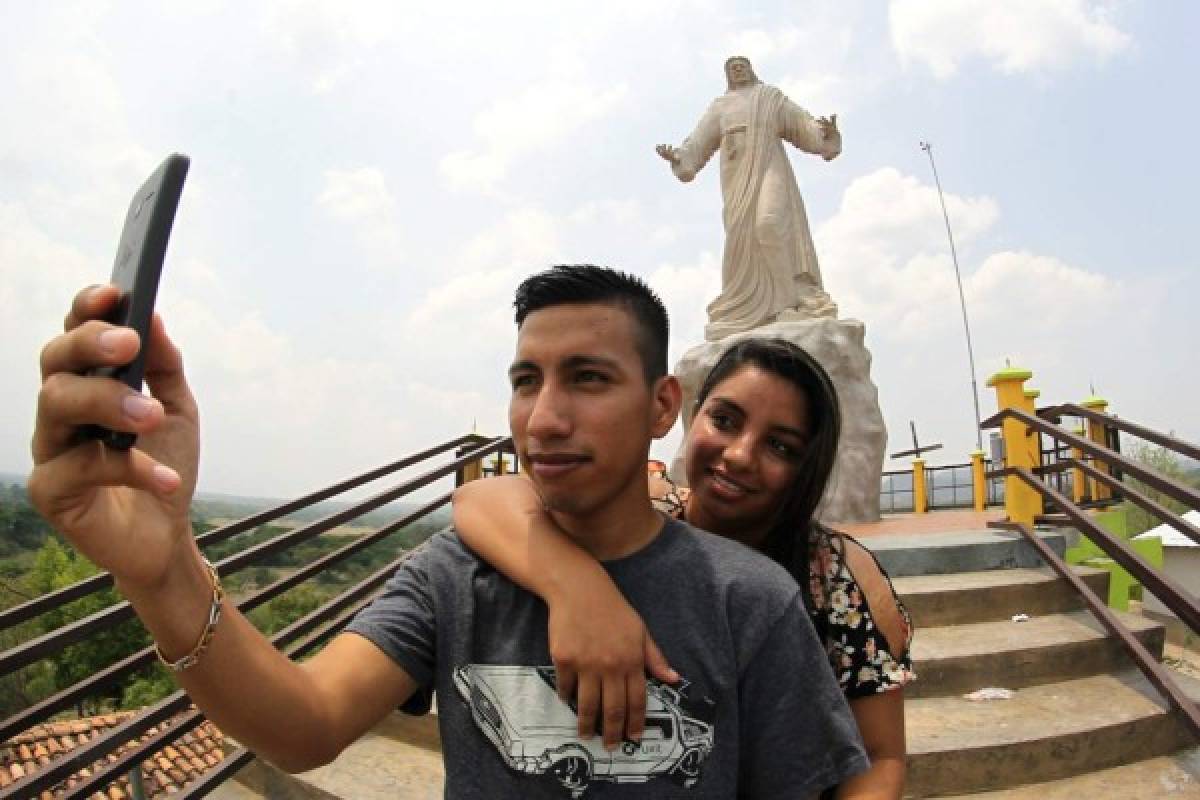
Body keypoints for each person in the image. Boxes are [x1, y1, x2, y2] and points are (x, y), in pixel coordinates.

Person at [29, 265, 868, 798]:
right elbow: (306, 724)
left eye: (587, 378)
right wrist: (163, 568)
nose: (543, 418)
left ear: (660, 408)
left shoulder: (749, 599)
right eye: (525, 380)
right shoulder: (453, 573)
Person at [454, 338, 914, 798]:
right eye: (724, 421)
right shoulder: (648, 513)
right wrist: (577, 587)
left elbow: (878, 755)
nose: (739, 454)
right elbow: (481, 499)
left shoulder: (833, 581)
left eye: (779, 446)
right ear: (690, 416)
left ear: (806, 466)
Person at [656, 56, 842, 340]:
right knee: (743, 238)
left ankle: (788, 302)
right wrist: (680, 158)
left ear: (751, 69)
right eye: (732, 67)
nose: (738, 69)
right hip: (736, 179)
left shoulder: (769, 98)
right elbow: (697, 144)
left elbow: (802, 125)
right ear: (727, 75)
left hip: (769, 165)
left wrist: (824, 135)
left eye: (742, 64)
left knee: (768, 224)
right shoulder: (720, 106)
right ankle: (749, 309)